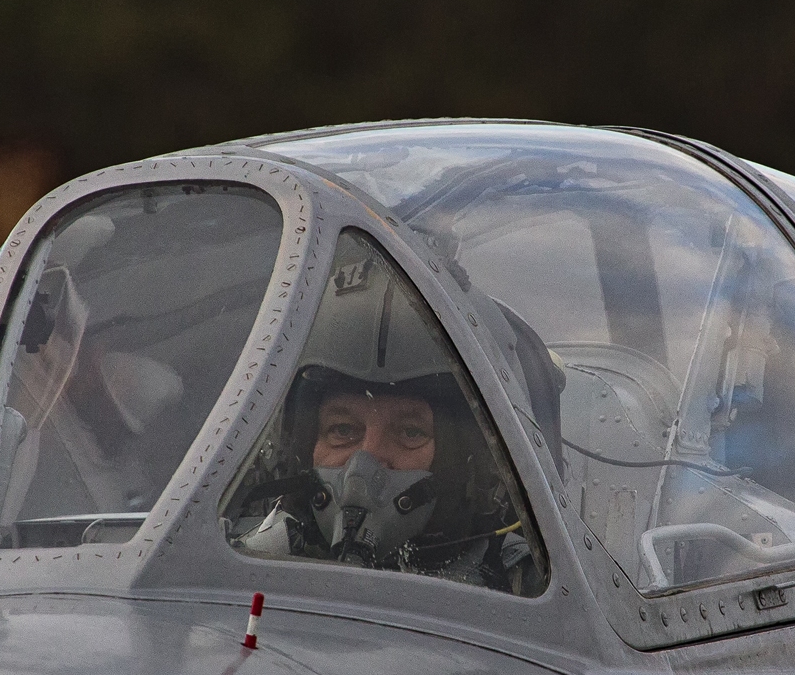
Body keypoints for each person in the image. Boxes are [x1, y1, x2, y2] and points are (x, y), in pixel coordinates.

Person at [224, 229, 553, 595]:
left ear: (467, 461)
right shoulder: (239, 577)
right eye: (343, 429)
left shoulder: (529, 592)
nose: (365, 464)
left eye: (410, 433)